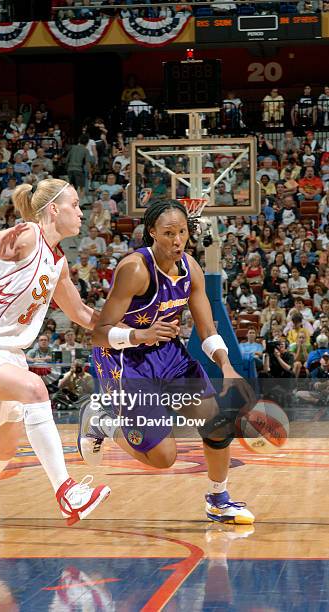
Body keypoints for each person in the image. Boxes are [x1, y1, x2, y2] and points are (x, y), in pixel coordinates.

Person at [0, 178, 110, 528]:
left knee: (4, 447)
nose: (80, 212)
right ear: (53, 209)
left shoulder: (58, 261)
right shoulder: (29, 236)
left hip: (7, 356)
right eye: (75, 205)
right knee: (35, 389)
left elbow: (81, 315)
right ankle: (66, 492)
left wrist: (130, 330)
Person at [78, 199, 255, 524]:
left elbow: (206, 329)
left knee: (217, 425)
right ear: (152, 234)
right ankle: (103, 422)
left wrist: (227, 366)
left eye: (182, 232)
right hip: (123, 359)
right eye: (168, 233)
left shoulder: (191, 269)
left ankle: (218, 499)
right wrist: (138, 336)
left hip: (167, 353)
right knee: (163, 459)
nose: (176, 240)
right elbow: (99, 334)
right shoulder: (134, 269)